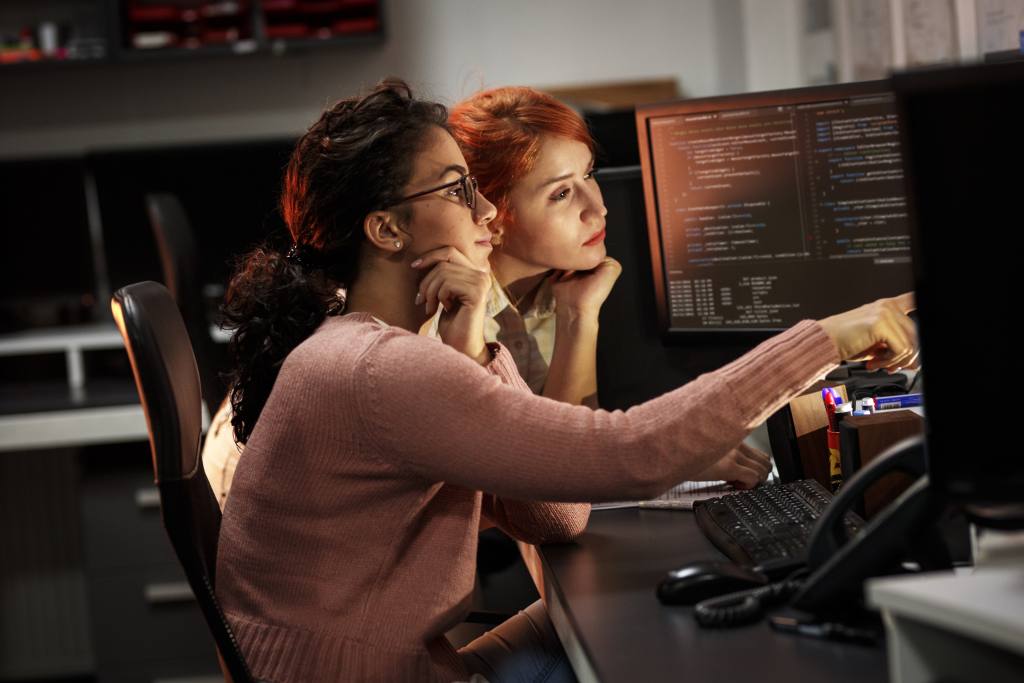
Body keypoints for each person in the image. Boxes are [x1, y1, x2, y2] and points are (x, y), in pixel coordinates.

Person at [215, 78, 918, 683]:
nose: (486, 212)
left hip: (400, 666)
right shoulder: (379, 370)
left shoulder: (377, 350)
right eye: (461, 191)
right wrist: (829, 336)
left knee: (636, 612)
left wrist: (470, 343)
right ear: (387, 230)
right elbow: (630, 454)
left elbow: (556, 514)